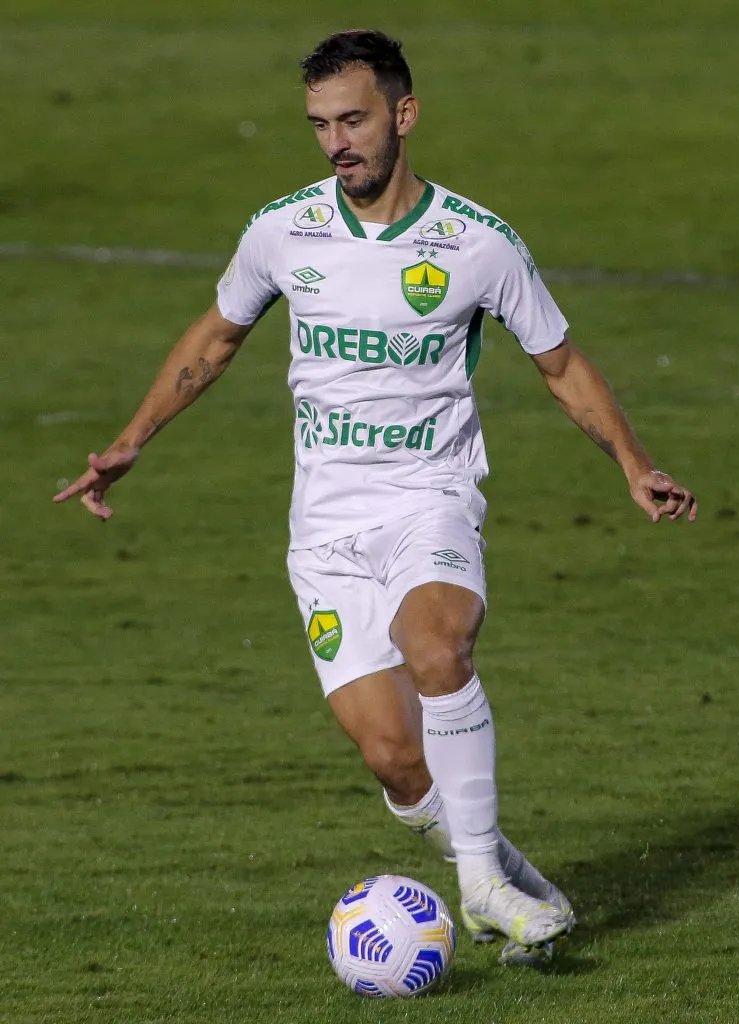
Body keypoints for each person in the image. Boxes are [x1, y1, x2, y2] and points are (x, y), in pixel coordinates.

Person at [54, 29, 697, 965]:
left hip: (428, 498)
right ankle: (513, 880)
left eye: (352, 119)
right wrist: (129, 441)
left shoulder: (478, 243)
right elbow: (215, 338)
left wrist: (632, 463)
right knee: (397, 763)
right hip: (323, 530)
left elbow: (561, 366)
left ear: (403, 115)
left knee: (438, 645)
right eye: (319, 124)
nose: (335, 142)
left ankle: (476, 889)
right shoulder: (282, 230)